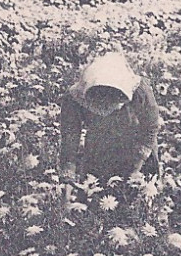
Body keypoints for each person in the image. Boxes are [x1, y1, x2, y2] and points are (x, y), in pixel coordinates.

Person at [59, 52, 162, 183]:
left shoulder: (140, 90)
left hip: (136, 148)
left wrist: (137, 165)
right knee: (96, 193)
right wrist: (68, 176)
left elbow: (150, 127)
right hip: (98, 151)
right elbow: (70, 137)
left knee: (141, 193)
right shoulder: (74, 98)